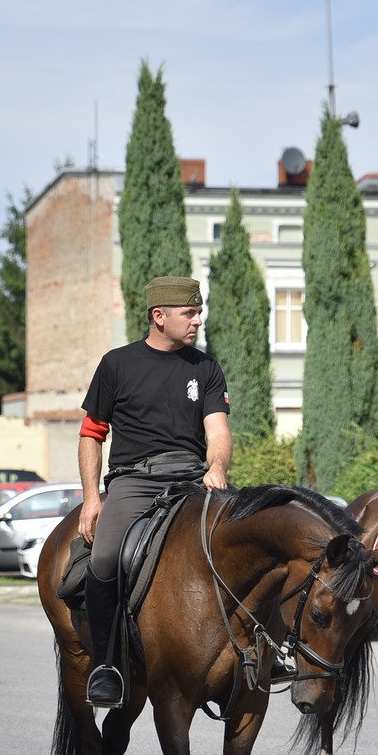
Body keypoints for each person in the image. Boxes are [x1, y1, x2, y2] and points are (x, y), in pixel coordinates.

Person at [76, 276, 232, 708]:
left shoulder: (206, 367)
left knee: (248, 540)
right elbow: (91, 434)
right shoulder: (116, 364)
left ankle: (258, 652)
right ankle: (106, 665)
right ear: (159, 317)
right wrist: (92, 498)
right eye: (190, 313)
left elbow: (217, 430)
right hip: (134, 480)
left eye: (198, 312)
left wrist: (216, 466)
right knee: (105, 560)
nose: (198, 320)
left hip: (194, 478)